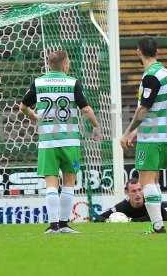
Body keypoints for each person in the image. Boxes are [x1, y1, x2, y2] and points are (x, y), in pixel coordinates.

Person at [20, 50, 102, 234]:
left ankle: (53, 225)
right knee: (68, 182)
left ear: (49, 64)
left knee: (51, 183)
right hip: (70, 141)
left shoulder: (38, 83)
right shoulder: (72, 83)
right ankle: (64, 224)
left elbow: (23, 107)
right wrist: (96, 126)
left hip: (48, 142)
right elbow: (86, 109)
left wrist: (33, 116)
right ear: (64, 64)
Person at [120, 36, 167, 234]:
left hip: (151, 136)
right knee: (154, 180)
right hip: (163, 133)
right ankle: (157, 223)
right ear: (157, 51)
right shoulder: (165, 72)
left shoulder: (150, 75)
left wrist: (127, 131)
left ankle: (158, 225)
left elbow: (144, 109)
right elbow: (157, 107)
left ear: (138, 51)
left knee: (146, 181)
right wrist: (135, 131)